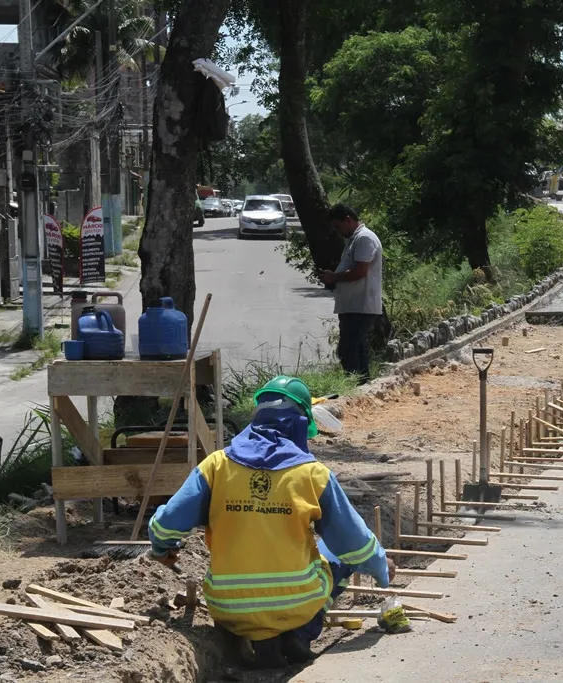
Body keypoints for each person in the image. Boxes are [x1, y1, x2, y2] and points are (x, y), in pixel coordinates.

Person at [148, 376, 395, 669]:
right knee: (341, 551)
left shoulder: (216, 466)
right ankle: (300, 634)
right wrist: (381, 568)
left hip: (228, 606)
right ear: (301, 424)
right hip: (296, 605)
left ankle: (255, 641)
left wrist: (164, 548)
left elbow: (165, 524)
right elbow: (354, 542)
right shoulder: (313, 475)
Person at [318, 204, 383, 384]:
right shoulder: (354, 240)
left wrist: (334, 277)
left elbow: (360, 272)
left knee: (349, 350)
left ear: (348, 220)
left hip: (361, 306)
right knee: (356, 349)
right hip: (352, 306)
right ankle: (363, 386)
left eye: (339, 227)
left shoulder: (364, 238)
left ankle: (354, 387)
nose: (338, 232)